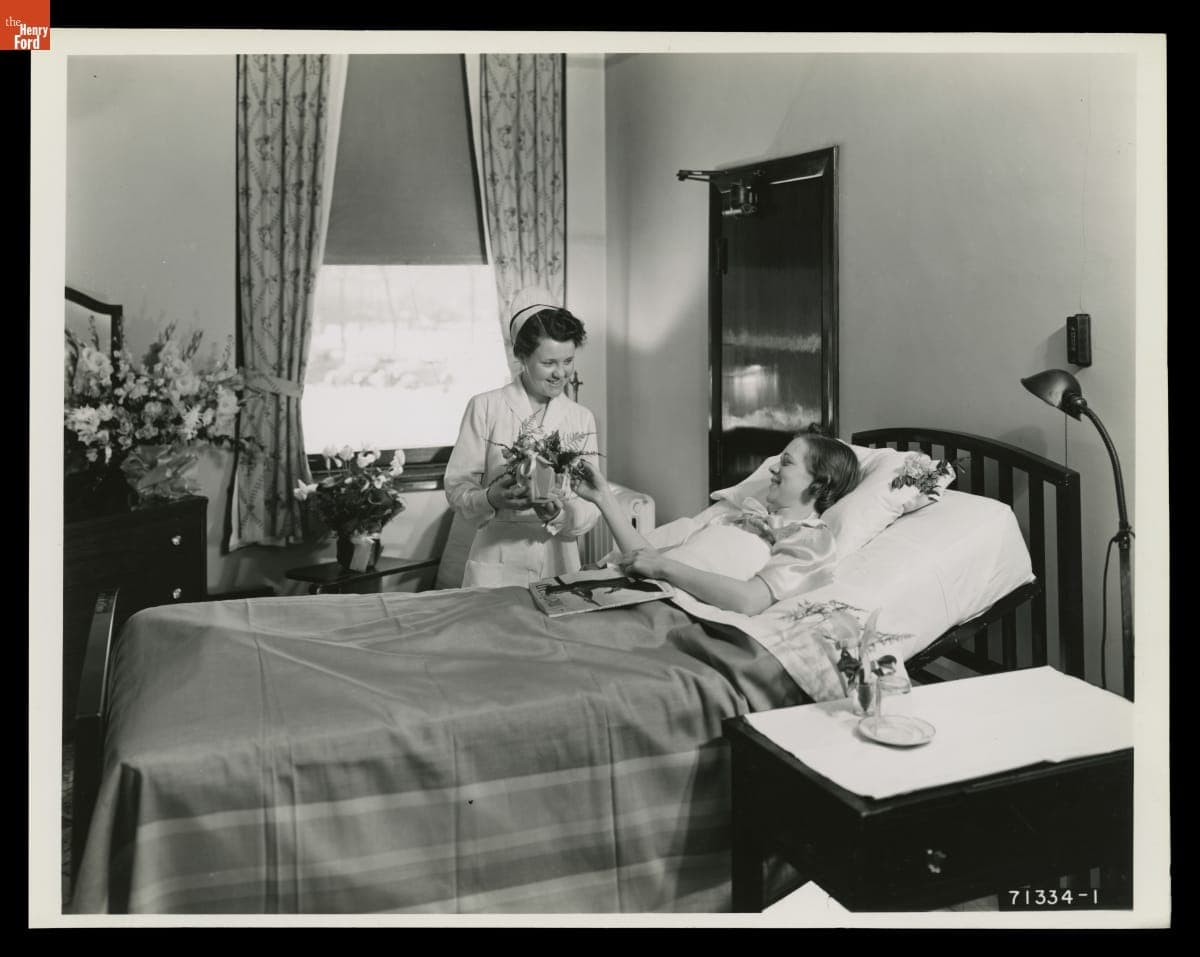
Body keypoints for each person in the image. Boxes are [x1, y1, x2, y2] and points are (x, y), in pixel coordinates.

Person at [574, 430, 860, 616]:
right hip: (638, 593)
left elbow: (750, 600)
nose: (773, 468)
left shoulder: (809, 538)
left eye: (786, 462)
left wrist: (663, 567)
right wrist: (603, 499)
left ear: (819, 484)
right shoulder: (735, 518)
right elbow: (647, 558)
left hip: (669, 614)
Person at [444, 294, 601, 588]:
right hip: (496, 560)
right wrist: (490, 497)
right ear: (522, 357)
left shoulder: (581, 418)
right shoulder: (485, 407)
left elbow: (592, 505)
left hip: (560, 560)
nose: (561, 373)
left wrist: (560, 513)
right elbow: (456, 489)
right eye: (549, 362)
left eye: (568, 361)